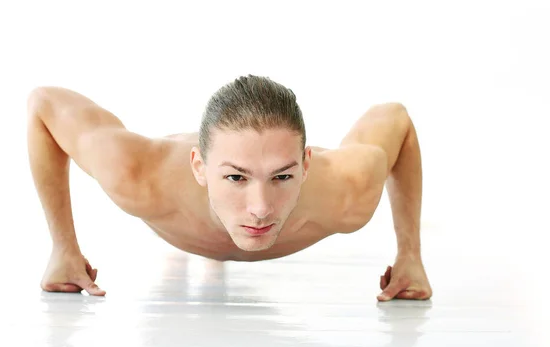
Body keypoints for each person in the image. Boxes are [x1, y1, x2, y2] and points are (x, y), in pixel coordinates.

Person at [27, 75, 432, 301]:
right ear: (199, 168)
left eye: (282, 177)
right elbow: (44, 103)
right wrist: (64, 248)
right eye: (236, 178)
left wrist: (410, 254)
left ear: (307, 166)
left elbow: (395, 118)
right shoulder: (136, 174)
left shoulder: (348, 191)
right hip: (175, 196)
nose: (260, 208)